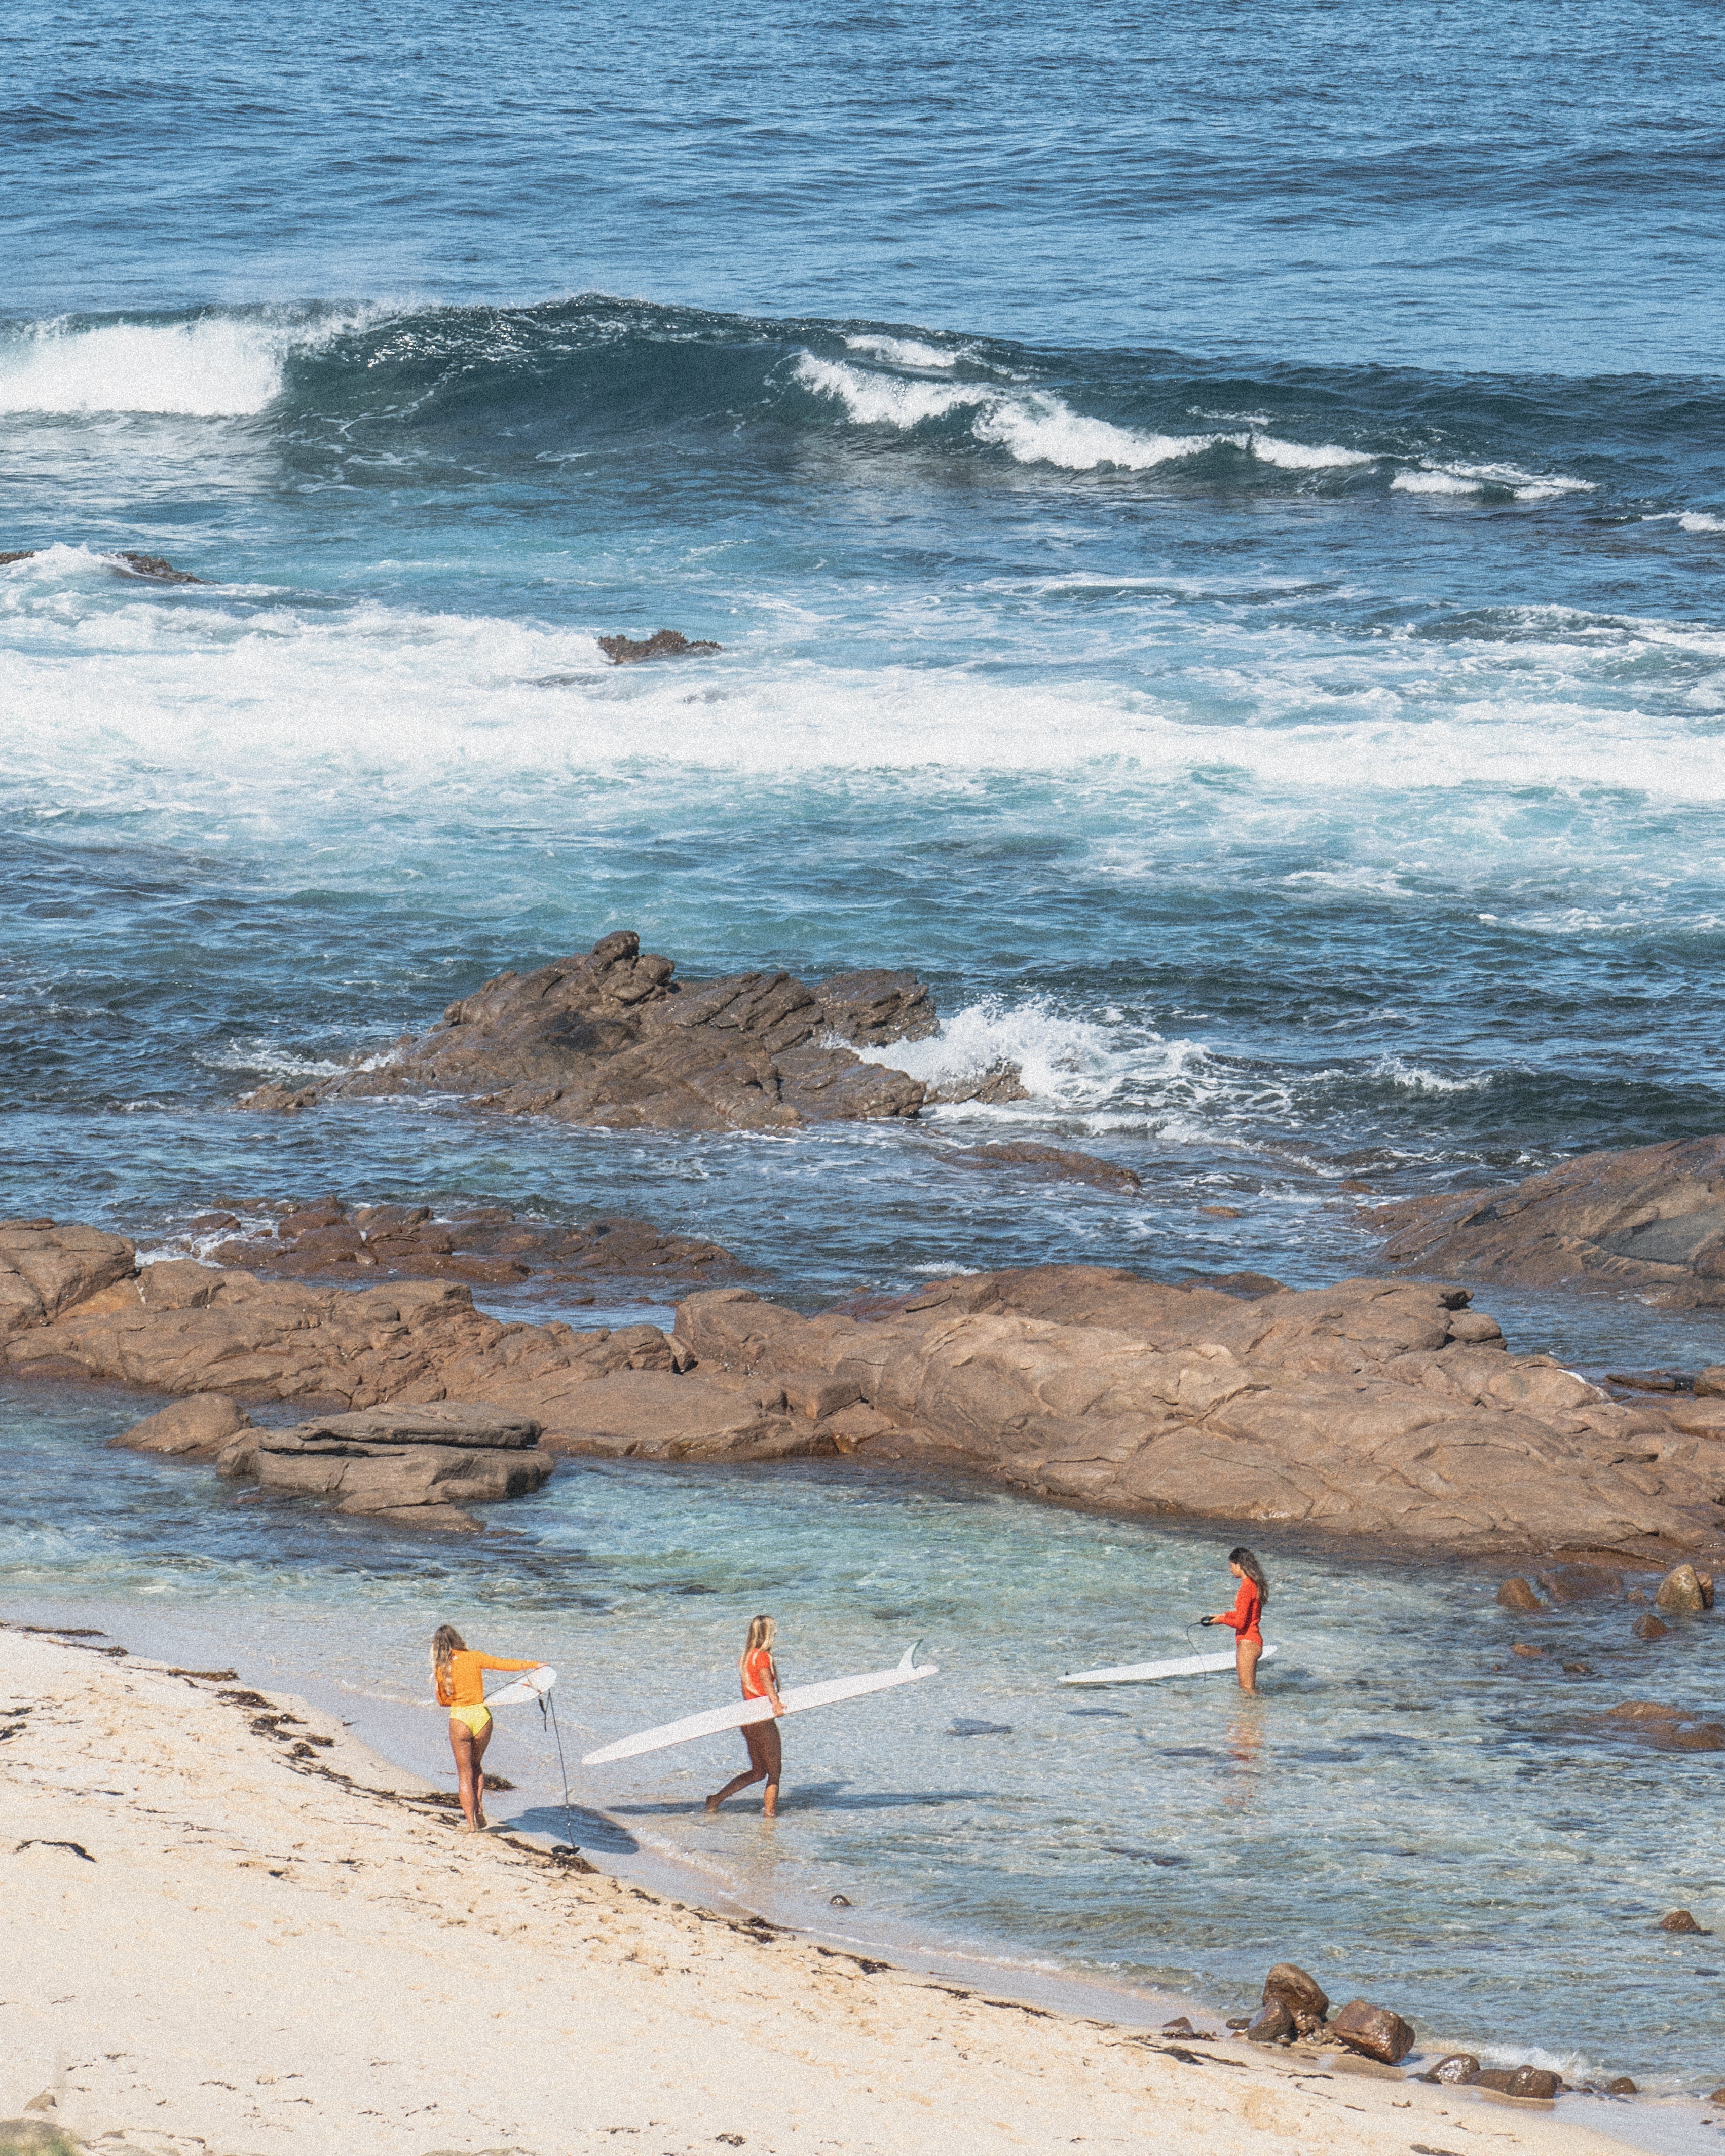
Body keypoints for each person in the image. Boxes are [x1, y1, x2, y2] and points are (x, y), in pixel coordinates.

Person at [431, 1624, 542, 1832]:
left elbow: (442, 1701)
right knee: (477, 1766)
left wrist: (457, 1699)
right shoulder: (474, 1657)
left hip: (460, 1719)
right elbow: (504, 1664)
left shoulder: (441, 1668)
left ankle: (471, 1824)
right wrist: (535, 1665)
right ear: (458, 1639)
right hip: (482, 1718)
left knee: (464, 1774)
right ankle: (480, 1808)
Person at [705, 1614, 785, 1818]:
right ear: (767, 1633)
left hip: (747, 1720)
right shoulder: (763, 1657)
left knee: (758, 1772)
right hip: (762, 1721)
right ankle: (770, 1818)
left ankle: (715, 1799)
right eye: (773, 1629)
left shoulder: (746, 1657)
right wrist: (776, 1704)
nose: (776, 1632)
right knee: (774, 1774)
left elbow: (751, 1689)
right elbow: (767, 1684)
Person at [1202, 1547, 1269, 1693]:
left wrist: (1221, 1620)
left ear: (1239, 1565)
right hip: (1252, 1641)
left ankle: (1255, 1716)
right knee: (1249, 1691)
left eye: (1231, 1566)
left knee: (1247, 1691)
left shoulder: (1246, 1587)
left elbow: (1241, 1623)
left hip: (1248, 1643)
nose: (1231, 1570)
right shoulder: (1253, 1584)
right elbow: (1245, 1615)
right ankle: (1254, 1715)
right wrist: (1224, 1615)